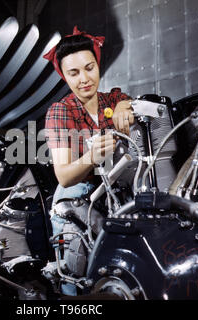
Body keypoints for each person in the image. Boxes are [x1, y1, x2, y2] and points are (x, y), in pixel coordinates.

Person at [43, 26, 134, 295]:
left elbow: (130, 105)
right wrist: (92, 156)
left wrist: (124, 106)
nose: (84, 79)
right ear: (64, 76)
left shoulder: (114, 98)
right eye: (74, 73)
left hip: (113, 199)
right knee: (77, 283)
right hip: (74, 205)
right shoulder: (61, 111)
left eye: (89, 68)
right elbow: (64, 176)